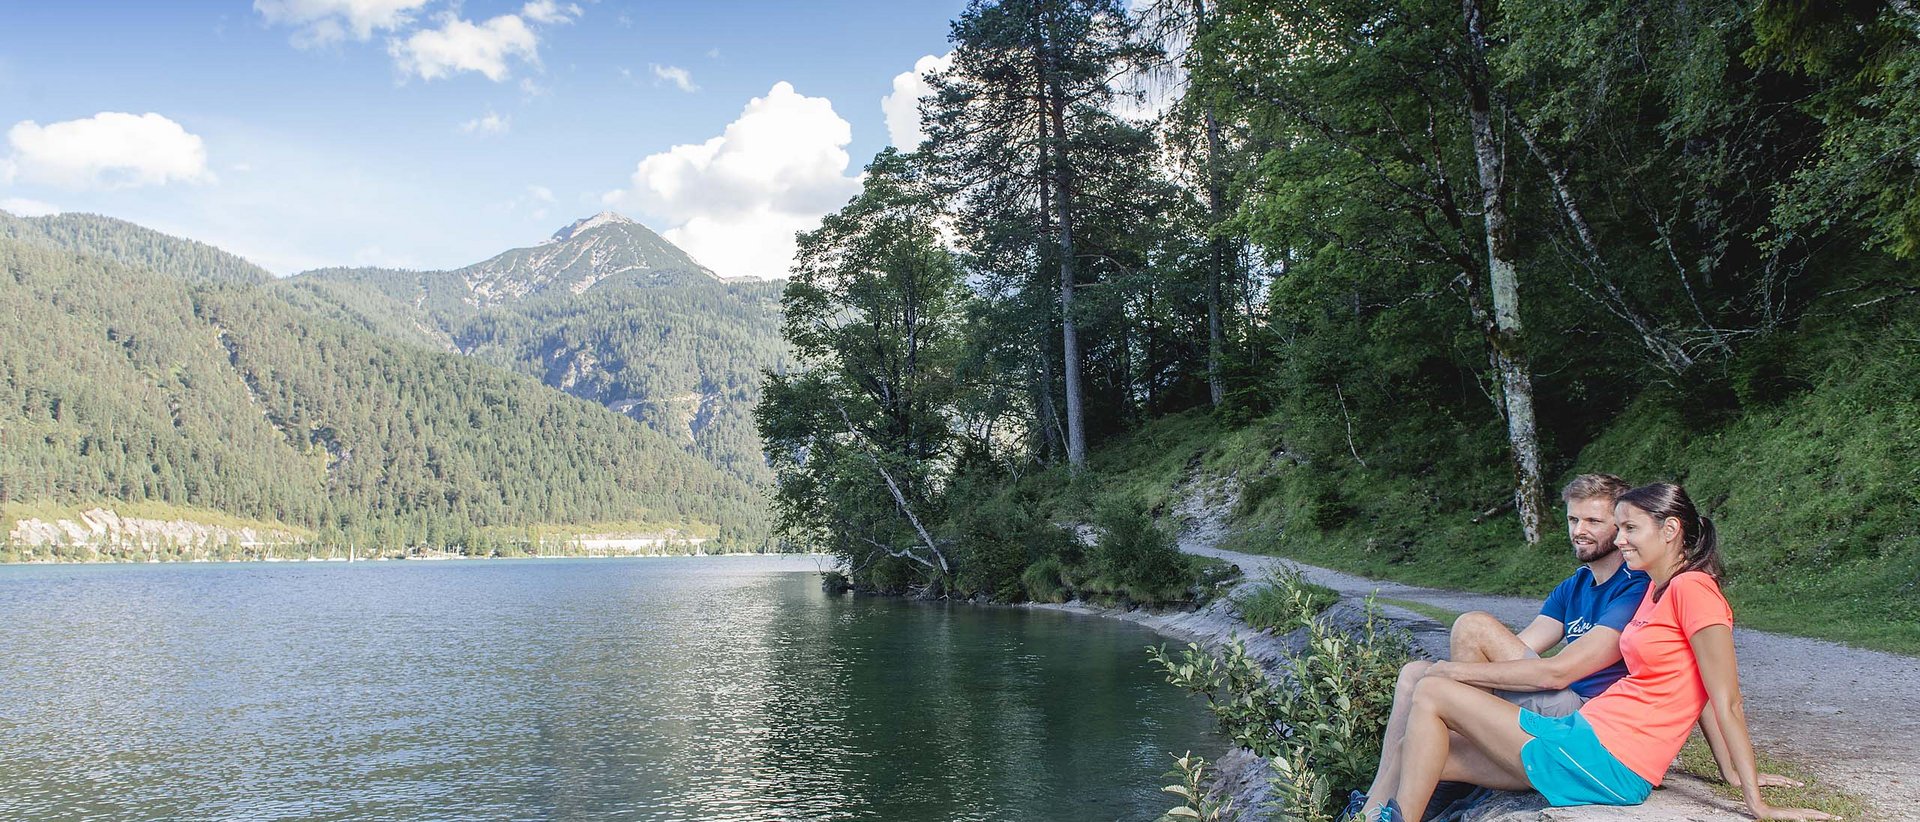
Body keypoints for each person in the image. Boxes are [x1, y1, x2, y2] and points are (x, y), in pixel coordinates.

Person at [1352, 483, 1833, 822]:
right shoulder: (1657, 590)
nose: (1619, 540)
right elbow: (1693, 686)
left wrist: (1753, 798)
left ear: (1669, 531)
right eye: (1617, 529)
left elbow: (1725, 697)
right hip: (1580, 735)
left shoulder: (1695, 591)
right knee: (1417, 749)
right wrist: (1725, 769)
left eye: (1629, 529)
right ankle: (1381, 814)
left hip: (1610, 758)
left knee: (1434, 690)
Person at [1350, 474, 1647, 821]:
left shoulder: (1634, 586)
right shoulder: (1576, 585)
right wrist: (1449, 676)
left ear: (1621, 526)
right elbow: (1518, 648)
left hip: (1583, 719)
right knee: (1413, 674)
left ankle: (1457, 739)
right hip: (1557, 702)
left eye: (1593, 521)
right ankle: (1369, 808)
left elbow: (1559, 672)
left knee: (1472, 626)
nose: (1579, 530)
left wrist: (1452, 674)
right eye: (1572, 519)